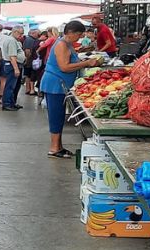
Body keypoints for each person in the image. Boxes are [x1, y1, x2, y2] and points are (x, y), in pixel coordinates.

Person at [41, 21, 101, 159]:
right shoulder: (61, 44)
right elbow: (64, 67)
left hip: (60, 84)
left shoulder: (67, 44)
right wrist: (86, 63)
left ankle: (59, 146)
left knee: (60, 116)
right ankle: (54, 148)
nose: (79, 38)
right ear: (71, 33)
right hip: (55, 84)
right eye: (79, 35)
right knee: (56, 116)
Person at [0, 27, 25, 111]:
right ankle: (7, 103)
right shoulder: (11, 41)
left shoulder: (13, 40)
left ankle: (12, 102)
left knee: (14, 86)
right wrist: (16, 68)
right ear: (15, 32)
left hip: (12, 65)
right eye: (20, 34)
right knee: (10, 86)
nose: (21, 36)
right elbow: (12, 56)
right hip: (12, 65)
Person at [22, 29, 40, 96]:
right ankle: (28, 89)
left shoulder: (28, 39)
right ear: (33, 33)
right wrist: (28, 59)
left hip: (29, 60)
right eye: (37, 34)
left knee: (28, 75)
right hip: (29, 61)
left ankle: (28, 89)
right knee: (29, 75)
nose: (38, 36)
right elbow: (27, 50)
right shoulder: (30, 40)